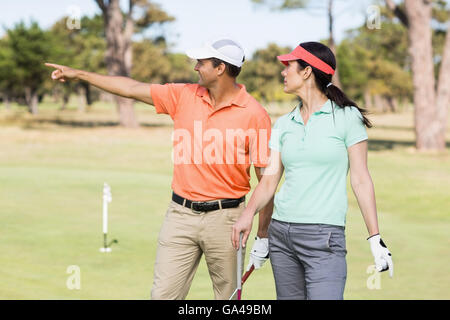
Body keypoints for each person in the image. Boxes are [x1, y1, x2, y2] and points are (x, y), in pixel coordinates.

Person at [45, 36, 274, 300]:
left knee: (228, 300)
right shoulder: (183, 95)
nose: (195, 67)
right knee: (162, 296)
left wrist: (263, 235)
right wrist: (80, 75)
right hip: (180, 216)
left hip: (227, 220)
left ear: (220, 68)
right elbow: (130, 88)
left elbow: (265, 179)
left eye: (201, 62)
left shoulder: (255, 114)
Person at [231, 42, 394, 300]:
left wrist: (375, 237)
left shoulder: (346, 117)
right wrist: (249, 216)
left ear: (307, 71)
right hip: (282, 235)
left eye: (289, 66)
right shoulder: (285, 124)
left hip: (324, 238)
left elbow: (361, 179)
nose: (283, 72)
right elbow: (269, 180)